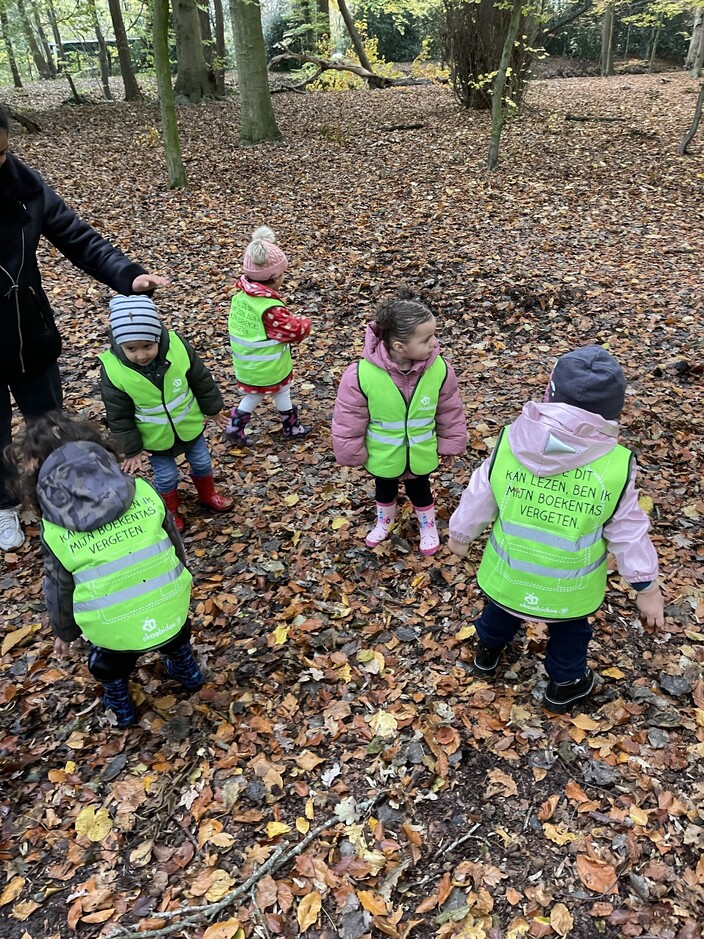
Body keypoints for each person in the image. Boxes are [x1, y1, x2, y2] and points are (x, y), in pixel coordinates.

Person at [447, 345, 665, 712]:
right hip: (569, 589)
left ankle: (487, 652)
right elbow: (628, 530)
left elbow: (480, 493)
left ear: (549, 393)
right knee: (569, 632)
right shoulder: (614, 466)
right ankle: (566, 684)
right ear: (613, 409)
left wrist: (460, 536)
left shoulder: (511, 441)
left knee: (499, 612)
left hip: (509, 573)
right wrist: (646, 585)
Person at [0, 108, 169, 552]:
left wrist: (127, 275)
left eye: (1, 153)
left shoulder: (24, 185)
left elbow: (78, 237)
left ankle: (66, 495)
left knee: (51, 426)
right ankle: (3, 506)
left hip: (28, 337)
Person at [7, 413, 204, 728]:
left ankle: (122, 708)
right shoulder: (143, 491)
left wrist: (65, 633)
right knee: (176, 635)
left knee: (110, 661)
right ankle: (189, 674)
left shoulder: (56, 528)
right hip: (171, 605)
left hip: (112, 627)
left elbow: (58, 587)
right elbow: (174, 543)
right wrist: (181, 579)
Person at [332, 290, 467, 556]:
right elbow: (349, 417)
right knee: (384, 488)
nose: (434, 343)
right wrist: (351, 452)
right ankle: (384, 522)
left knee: (421, 489)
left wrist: (451, 445)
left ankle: (426, 527)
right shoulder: (361, 374)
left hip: (420, 451)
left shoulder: (439, 369)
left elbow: (449, 409)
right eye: (426, 339)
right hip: (384, 453)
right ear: (399, 346)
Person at [100, 294, 233, 532]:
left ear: (157, 338)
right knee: (167, 477)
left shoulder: (177, 347)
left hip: (189, 425)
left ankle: (207, 494)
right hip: (155, 439)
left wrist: (212, 410)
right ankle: (171, 510)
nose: (141, 355)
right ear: (119, 344)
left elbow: (200, 379)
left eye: (147, 346)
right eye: (131, 349)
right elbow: (118, 415)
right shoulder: (113, 369)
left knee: (202, 463)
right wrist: (130, 449)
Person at [225, 226, 312, 445]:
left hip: (248, 363)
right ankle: (239, 426)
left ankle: (287, 426)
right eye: (282, 274)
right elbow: (291, 331)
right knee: (267, 393)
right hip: (266, 366)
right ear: (273, 277)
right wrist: (304, 323)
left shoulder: (242, 296)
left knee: (275, 391)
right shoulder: (268, 307)